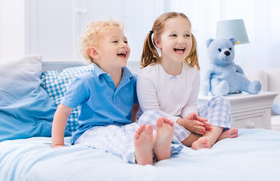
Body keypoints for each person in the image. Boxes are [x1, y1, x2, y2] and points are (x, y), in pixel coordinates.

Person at [51, 18, 181, 165]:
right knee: (114, 136)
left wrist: (133, 123)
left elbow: (135, 106)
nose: (124, 45)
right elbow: (63, 112)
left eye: (125, 41)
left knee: (141, 126)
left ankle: (161, 147)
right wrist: (57, 144)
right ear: (94, 52)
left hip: (123, 127)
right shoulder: (86, 81)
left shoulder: (132, 80)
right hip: (92, 131)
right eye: (115, 42)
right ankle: (137, 154)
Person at [137, 12, 238, 150]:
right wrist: (182, 123)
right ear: (158, 42)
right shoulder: (147, 74)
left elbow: (190, 104)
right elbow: (152, 111)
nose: (182, 40)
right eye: (173, 35)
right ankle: (210, 138)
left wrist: (192, 117)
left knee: (221, 101)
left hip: (185, 122)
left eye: (187, 35)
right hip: (166, 125)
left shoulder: (192, 71)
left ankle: (207, 138)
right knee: (147, 117)